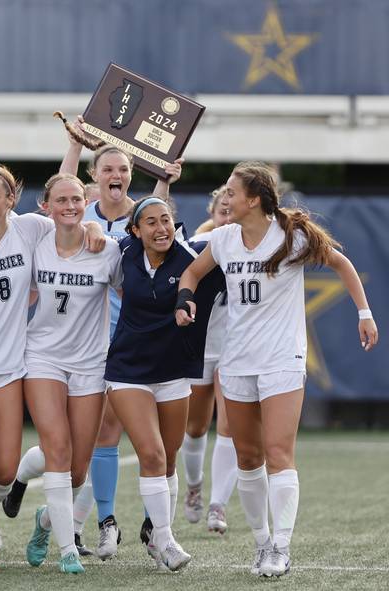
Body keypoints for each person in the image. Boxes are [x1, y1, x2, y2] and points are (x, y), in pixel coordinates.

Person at [176, 161, 378, 577]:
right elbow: (192, 273)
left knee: (278, 454)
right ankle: (263, 543)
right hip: (237, 362)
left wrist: (365, 312)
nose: (225, 198)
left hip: (282, 359)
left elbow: (341, 263)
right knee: (248, 458)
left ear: (253, 199)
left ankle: (282, 548)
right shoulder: (225, 238)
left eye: (232, 192)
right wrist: (185, 300)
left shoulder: (293, 235)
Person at [4, 119, 183, 559]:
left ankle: (58, 516)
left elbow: (155, 231)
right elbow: (61, 195)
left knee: (85, 453)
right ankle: (99, 525)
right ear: (95, 178)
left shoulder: (135, 223)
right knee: (75, 442)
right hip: (54, 349)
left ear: (130, 175)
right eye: (106, 169)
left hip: (114, 346)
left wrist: (164, 179)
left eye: (123, 169)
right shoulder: (75, 219)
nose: (115, 175)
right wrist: (75, 146)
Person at [0, 165, 105, 573]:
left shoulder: (30, 228)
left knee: (5, 468)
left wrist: (95, 231)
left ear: (11, 199)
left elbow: (69, 217)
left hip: (10, 362)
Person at [105, 196, 224, 572]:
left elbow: (239, 257)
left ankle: (159, 538)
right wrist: (91, 230)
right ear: (135, 231)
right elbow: (87, 235)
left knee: (168, 461)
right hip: (127, 371)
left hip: (174, 372)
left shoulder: (193, 257)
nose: (161, 229)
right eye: (151, 223)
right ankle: (167, 540)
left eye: (166, 221)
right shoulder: (121, 251)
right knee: (152, 455)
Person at [22, 174, 122, 574]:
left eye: (77, 199)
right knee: (57, 450)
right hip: (42, 357)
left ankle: (46, 520)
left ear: (88, 201)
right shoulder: (34, 245)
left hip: (90, 362)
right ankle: (67, 550)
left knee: (78, 469)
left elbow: (132, 297)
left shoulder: (107, 249)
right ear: (46, 206)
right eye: (60, 199)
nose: (69, 206)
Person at [181, 187, 238, 535]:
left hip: (237, 349)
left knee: (230, 426)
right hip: (203, 346)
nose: (228, 218)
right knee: (196, 426)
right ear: (212, 213)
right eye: (222, 212)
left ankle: (218, 505)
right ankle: (194, 486)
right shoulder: (203, 245)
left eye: (233, 211)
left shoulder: (255, 244)